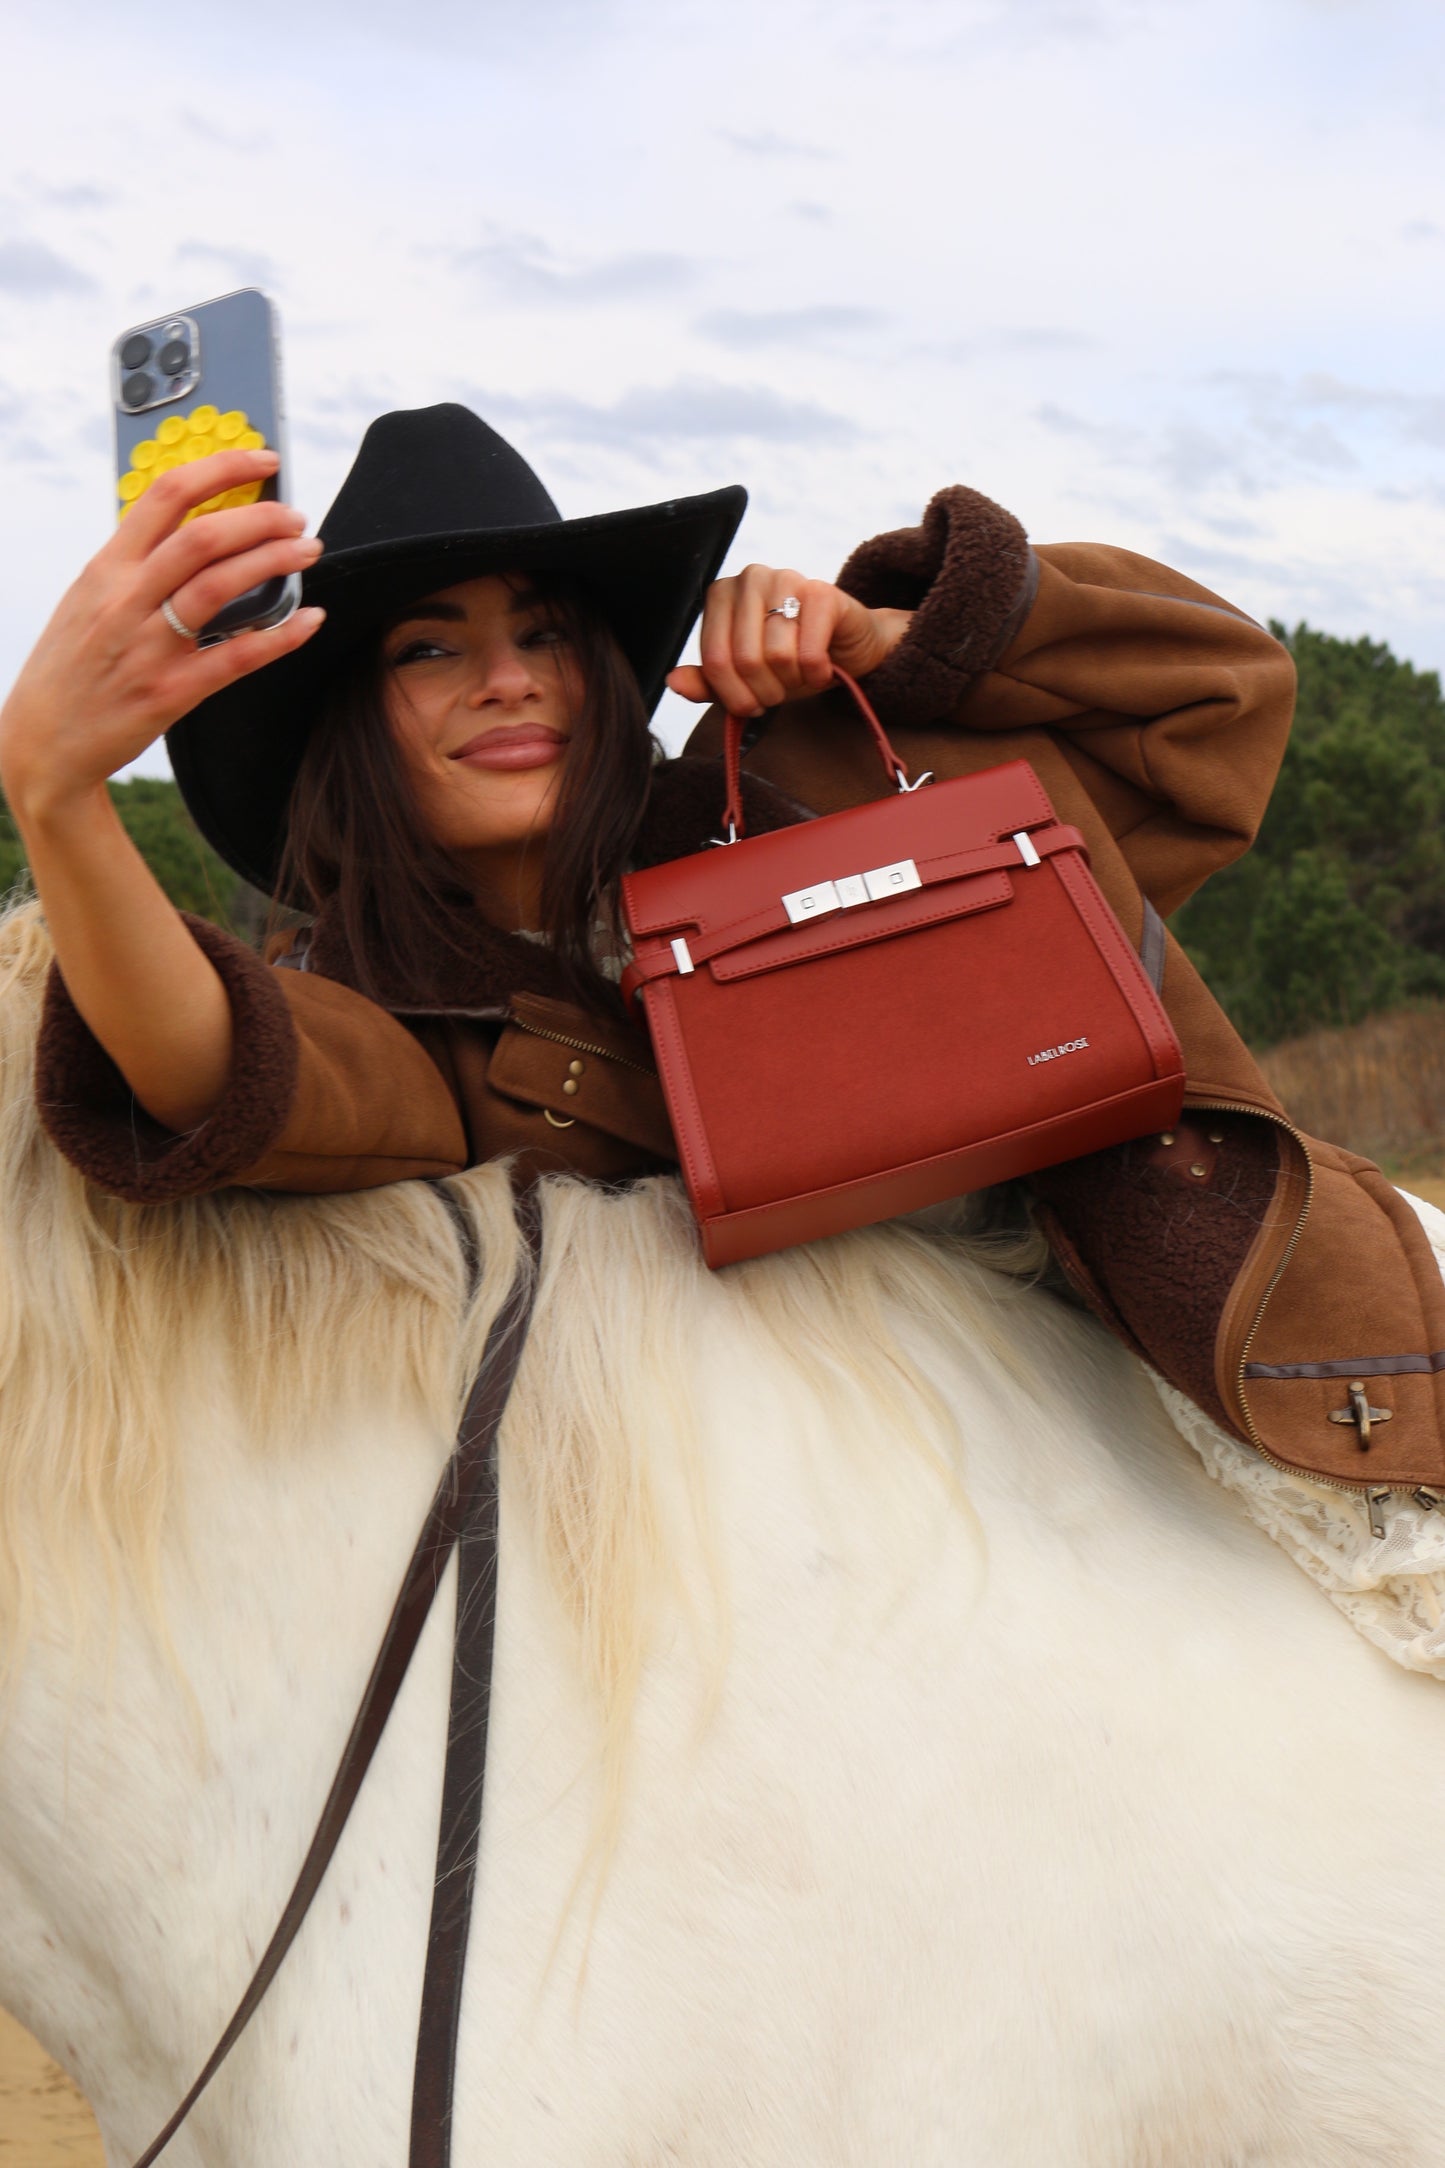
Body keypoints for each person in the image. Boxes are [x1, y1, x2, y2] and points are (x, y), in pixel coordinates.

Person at [2, 402, 1441, 1493]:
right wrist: (59, 800)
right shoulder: (400, 1021)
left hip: (1231, 1412)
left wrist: (889, 641)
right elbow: (214, 1065)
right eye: (428, 649)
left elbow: (1219, 702)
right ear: (348, 723)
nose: (506, 679)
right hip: (815, 1565)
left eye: (544, 633)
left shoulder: (806, 780)